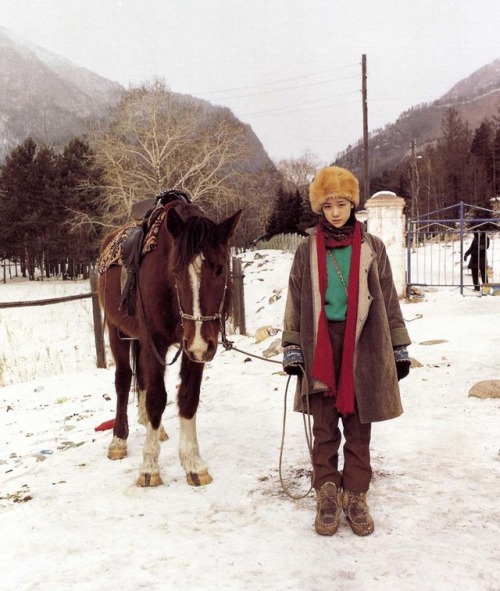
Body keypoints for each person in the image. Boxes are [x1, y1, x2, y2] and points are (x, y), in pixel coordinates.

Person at [281, 165, 411, 537]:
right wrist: (292, 346)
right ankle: (326, 491)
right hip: (320, 342)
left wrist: (399, 346)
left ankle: (355, 493)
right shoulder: (306, 250)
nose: (335, 211)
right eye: (328, 205)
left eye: (342, 203)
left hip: (364, 343)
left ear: (353, 204)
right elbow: (295, 298)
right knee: (323, 423)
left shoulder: (373, 248)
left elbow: (387, 299)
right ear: (319, 209)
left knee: (358, 423)